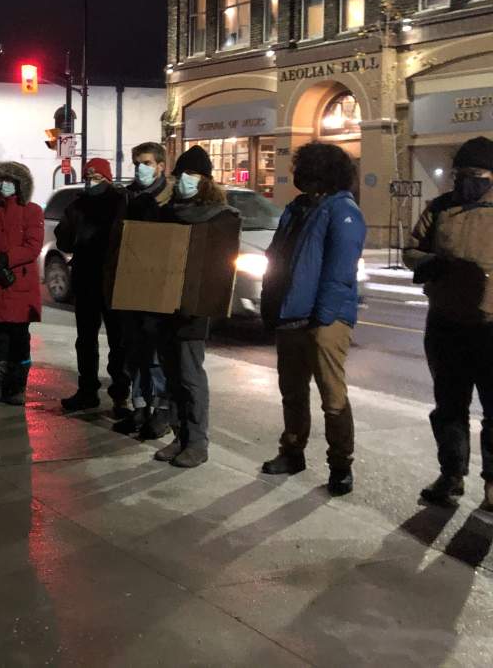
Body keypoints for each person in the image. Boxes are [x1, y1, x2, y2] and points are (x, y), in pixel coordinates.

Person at [259, 142, 365, 497]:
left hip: (324, 320)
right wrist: (270, 303)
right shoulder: (298, 208)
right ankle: (292, 452)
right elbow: (278, 258)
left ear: (323, 172)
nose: (297, 174)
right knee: (292, 391)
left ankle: (341, 465)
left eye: (304, 167)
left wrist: (322, 319)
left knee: (332, 397)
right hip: (290, 315)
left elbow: (339, 273)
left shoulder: (343, 211)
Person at [404, 136, 493, 514]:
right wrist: (427, 264)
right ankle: (451, 475)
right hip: (445, 325)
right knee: (448, 408)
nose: (464, 182)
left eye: (473, 175)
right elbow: (410, 250)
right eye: (459, 174)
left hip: (491, 326)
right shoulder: (440, 208)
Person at [152, 146, 240, 468]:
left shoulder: (219, 218)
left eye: (192, 175)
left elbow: (219, 268)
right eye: (181, 174)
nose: (185, 180)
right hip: (164, 306)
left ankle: (197, 442)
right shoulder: (167, 212)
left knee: (190, 376)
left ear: (205, 180)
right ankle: (180, 436)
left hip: (193, 309)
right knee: (171, 374)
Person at [112, 142, 174, 438]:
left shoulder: (169, 199)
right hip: (130, 283)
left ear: (161, 165)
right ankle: (140, 408)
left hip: (158, 285)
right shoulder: (127, 196)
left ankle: (161, 412)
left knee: (156, 357)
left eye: (147, 162)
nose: (141, 167)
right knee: (134, 353)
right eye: (137, 162)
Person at [56, 157, 128, 412]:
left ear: (107, 178)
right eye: (88, 176)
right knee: (86, 339)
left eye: (96, 177)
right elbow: (63, 242)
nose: (90, 181)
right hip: (86, 280)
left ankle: (120, 393)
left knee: (118, 340)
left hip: (114, 279)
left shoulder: (122, 203)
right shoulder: (77, 206)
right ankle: (88, 391)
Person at [0, 161, 44, 406]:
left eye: (11, 181)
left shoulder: (32, 210)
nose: (5, 185)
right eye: (1, 181)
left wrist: (6, 259)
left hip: (18, 283)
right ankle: (2, 385)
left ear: (19, 184)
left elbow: (33, 246)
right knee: (0, 336)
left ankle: (18, 387)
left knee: (20, 338)